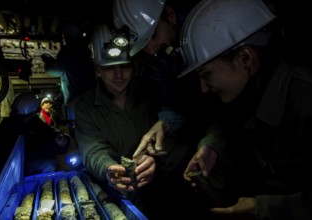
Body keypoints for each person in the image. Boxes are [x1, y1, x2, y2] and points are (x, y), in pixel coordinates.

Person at [174, 0, 312, 219]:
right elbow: (226, 124)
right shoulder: (248, 90)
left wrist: (261, 208)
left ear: (244, 58)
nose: (203, 88)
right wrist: (213, 146)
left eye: (206, 74)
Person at [74, 24, 205, 219]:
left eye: (124, 66)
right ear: (97, 69)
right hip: (125, 195)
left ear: (134, 65)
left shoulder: (152, 91)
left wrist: (154, 158)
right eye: (110, 68)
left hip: (167, 190)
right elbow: (93, 148)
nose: (118, 74)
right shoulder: (85, 106)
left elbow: (175, 131)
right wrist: (108, 168)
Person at [112, 0, 218, 162]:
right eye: (143, 45)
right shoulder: (160, 57)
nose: (151, 49)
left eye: (153, 36)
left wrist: (213, 140)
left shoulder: (209, 32)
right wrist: (164, 123)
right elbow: (176, 103)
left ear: (170, 14)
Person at [0, 92, 71, 176]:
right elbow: (24, 154)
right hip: (12, 169)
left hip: (21, 160)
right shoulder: (10, 127)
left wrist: (59, 136)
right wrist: (52, 146)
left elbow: (45, 130)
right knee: (49, 164)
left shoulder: (29, 120)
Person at [41, 20, 96, 122]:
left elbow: (55, 70)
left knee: (78, 128)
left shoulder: (68, 51)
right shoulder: (85, 50)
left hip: (76, 101)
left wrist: (47, 61)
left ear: (66, 36)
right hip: (88, 98)